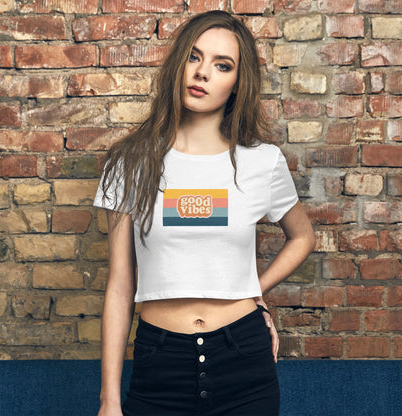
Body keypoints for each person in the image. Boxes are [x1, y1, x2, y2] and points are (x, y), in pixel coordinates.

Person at [93, 10, 315, 416]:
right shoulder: (130, 162)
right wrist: (109, 400)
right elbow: (121, 286)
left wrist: (254, 290)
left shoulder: (261, 162)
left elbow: (303, 237)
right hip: (160, 364)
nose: (202, 73)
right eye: (194, 58)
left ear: (236, 84)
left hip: (244, 360)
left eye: (221, 65)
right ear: (179, 64)